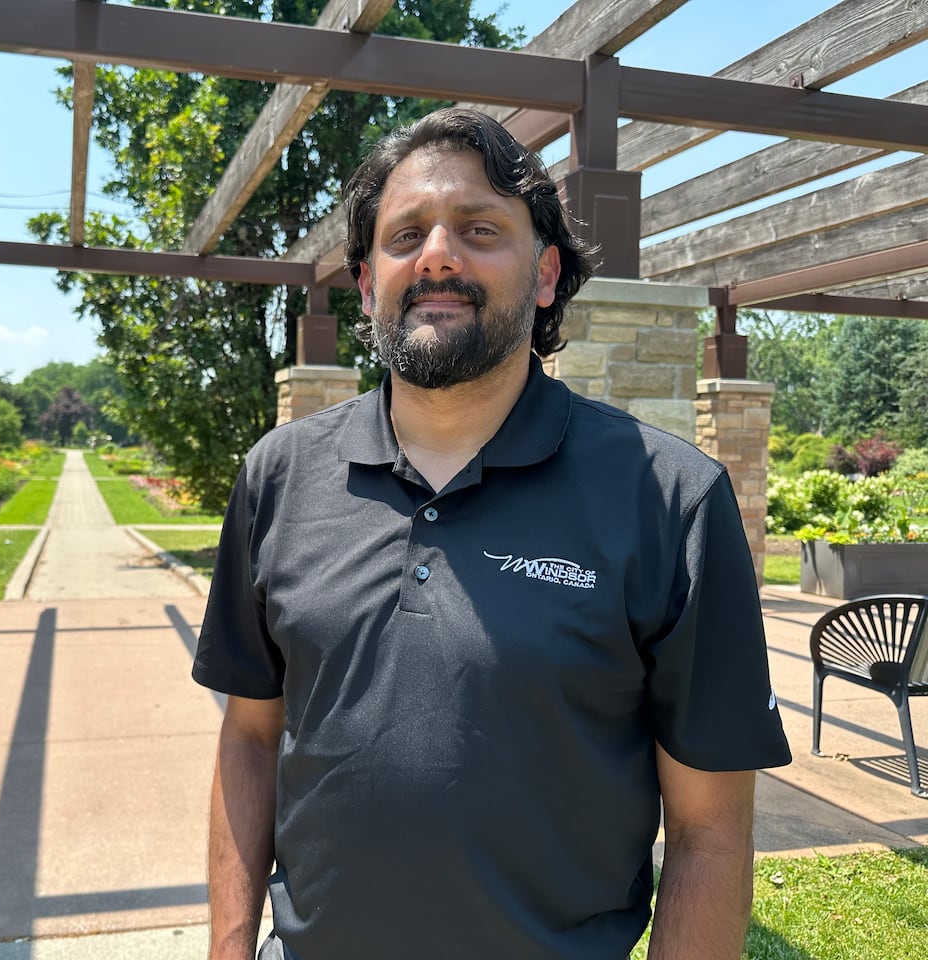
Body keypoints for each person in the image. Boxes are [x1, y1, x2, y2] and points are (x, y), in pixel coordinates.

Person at [192, 107, 791, 960]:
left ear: (546, 273)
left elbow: (711, 833)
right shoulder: (278, 478)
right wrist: (227, 948)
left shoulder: (670, 499)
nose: (437, 254)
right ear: (367, 284)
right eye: (405, 236)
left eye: (479, 228)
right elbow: (250, 737)